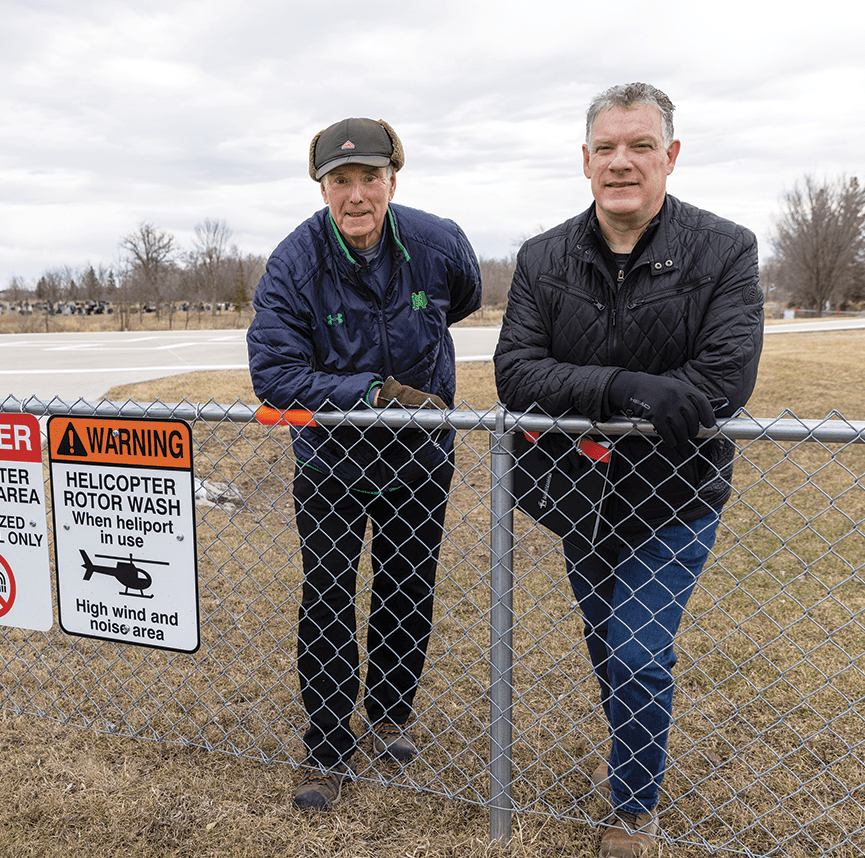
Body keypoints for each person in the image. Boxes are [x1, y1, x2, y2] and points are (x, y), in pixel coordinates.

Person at [494, 83, 763, 857]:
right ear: (584, 161)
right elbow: (516, 371)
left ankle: (633, 809)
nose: (621, 162)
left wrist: (594, 389)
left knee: (638, 651)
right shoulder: (545, 257)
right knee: (607, 645)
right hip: (579, 496)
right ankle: (633, 754)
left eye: (640, 146)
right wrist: (624, 388)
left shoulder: (723, 249)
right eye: (606, 148)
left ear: (669, 157)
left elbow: (722, 380)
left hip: (676, 496)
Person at [247, 117, 481, 812]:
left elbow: (458, 302)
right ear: (321, 187)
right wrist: (373, 393)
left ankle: (387, 715)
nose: (355, 195)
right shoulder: (293, 263)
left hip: (419, 461)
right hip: (330, 466)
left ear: (392, 180)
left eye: (369, 178)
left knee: (407, 589)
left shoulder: (438, 244)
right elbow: (275, 374)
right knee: (325, 599)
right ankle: (326, 744)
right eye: (339, 181)